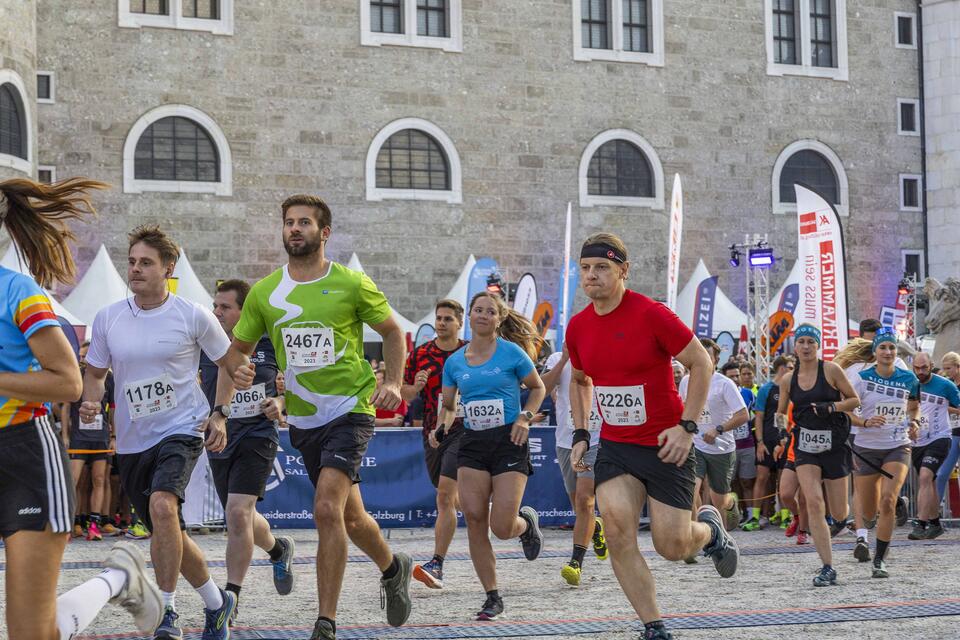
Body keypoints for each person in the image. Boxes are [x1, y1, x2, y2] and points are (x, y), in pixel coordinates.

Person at [219, 195, 412, 640]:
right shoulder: (266, 292)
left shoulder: (351, 283)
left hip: (351, 407)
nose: (295, 229)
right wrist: (238, 368)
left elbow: (392, 332)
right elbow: (236, 352)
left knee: (326, 507)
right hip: (304, 419)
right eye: (289, 222)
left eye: (304, 222)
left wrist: (395, 383)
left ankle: (326, 621)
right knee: (350, 518)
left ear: (324, 233)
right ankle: (393, 566)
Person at [0, 177, 162, 640]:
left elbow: (69, 382)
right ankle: (119, 577)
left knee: (30, 634)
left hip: (22, 458)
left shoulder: (17, 292)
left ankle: (116, 578)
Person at [566, 233, 738, 640]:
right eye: (586, 268)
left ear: (623, 271)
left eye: (602, 268)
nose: (592, 276)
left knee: (673, 546)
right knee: (620, 531)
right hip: (617, 449)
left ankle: (711, 532)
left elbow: (701, 363)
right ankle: (654, 625)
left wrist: (687, 426)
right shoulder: (578, 327)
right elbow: (579, 380)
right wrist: (581, 431)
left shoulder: (651, 314)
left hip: (666, 446)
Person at [81, 225, 240, 639]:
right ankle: (217, 604)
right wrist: (91, 398)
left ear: (168, 268)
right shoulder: (108, 317)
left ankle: (166, 613)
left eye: (145, 263)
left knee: (164, 507)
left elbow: (228, 363)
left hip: (183, 427)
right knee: (169, 532)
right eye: (132, 262)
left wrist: (219, 415)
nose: (135, 269)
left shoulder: (193, 314)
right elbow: (95, 374)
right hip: (134, 439)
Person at [438, 291, 546, 620]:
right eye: (478, 310)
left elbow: (537, 388)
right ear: (469, 317)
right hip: (472, 442)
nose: (483, 315)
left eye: (490, 311)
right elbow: (449, 404)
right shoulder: (454, 362)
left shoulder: (512, 353)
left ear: (498, 319)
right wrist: (441, 426)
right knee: (473, 519)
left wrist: (524, 418)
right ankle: (492, 596)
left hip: (509, 440)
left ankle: (525, 526)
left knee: (501, 526)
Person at [197, 279, 295, 616]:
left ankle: (231, 597)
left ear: (244, 311)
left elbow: (297, 382)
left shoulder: (271, 340)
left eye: (225, 307)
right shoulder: (206, 343)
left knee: (238, 512)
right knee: (240, 516)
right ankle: (278, 549)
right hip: (219, 437)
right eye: (215, 306)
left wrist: (280, 401)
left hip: (257, 435)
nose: (217, 312)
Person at [777, 324, 860, 587]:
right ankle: (827, 566)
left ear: (818, 345)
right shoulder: (788, 379)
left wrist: (831, 407)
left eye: (810, 342)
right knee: (813, 501)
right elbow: (780, 413)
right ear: (795, 346)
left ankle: (841, 521)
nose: (805, 346)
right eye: (801, 342)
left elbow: (854, 400)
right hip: (805, 445)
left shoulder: (832, 370)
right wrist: (782, 434)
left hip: (834, 444)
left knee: (838, 512)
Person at [401, 299, 467, 589]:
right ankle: (518, 522)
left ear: (459, 323)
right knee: (454, 500)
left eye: (448, 319)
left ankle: (437, 564)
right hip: (432, 434)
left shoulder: (470, 352)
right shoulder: (420, 354)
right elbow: (403, 394)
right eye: (439, 318)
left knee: (443, 497)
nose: (441, 323)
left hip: (465, 431)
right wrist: (415, 386)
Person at [847, 328, 920, 578]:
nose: (888, 352)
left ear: (896, 351)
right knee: (868, 513)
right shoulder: (861, 377)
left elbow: (913, 406)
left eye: (892, 347)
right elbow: (847, 411)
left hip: (897, 446)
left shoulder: (908, 378)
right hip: (866, 448)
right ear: (875, 352)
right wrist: (865, 422)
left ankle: (879, 559)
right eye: (883, 348)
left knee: (888, 501)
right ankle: (867, 525)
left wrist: (915, 422)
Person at [541, 345, 608, 587]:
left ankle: (575, 562)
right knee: (580, 507)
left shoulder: (603, 352)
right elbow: (543, 389)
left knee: (584, 500)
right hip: (566, 440)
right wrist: (565, 360)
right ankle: (595, 527)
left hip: (597, 438)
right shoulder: (558, 359)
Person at [681, 343, 749, 531]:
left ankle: (730, 504)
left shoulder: (724, 384)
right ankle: (695, 535)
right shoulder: (686, 382)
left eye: (707, 355)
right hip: (695, 445)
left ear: (716, 360)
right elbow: (683, 409)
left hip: (722, 448)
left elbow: (743, 415)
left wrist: (719, 429)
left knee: (719, 500)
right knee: (691, 492)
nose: (701, 358)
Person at [63, 340, 115, 541]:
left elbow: (113, 409)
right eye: (81, 356)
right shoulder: (75, 375)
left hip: (100, 436)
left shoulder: (108, 377)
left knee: (99, 479)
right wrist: (66, 435)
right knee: (73, 480)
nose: (83, 360)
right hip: (79, 437)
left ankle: (94, 525)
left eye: (87, 356)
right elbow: (67, 406)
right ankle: (71, 524)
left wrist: (114, 436)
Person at [909, 352, 960, 539]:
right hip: (918, 440)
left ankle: (920, 524)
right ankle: (935, 523)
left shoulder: (945, 385)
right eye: (917, 368)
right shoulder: (910, 384)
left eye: (924, 367)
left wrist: (949, 409)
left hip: (941, 437)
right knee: (928, 483)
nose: (921, 372)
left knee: (925, 476)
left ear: (931, 365)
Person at [743, 355, 794, 531]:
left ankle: (786, 517)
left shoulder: (792, 389)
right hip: (766, 442)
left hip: (785, 441)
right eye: (790, 366)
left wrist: (783, 437)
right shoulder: (767, 389)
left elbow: (783, 417)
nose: (793, 370)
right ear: (782, 368)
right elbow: (759, 417)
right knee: (762, 478)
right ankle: (755, 517)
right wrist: (760, 442)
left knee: (783, 480)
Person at [935, 352, 960, 503]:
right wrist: (956, 410)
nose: (946, 372)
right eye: (944, 368)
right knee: (942, 473)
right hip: (952, 432)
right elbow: (941, 405)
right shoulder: (948, 384)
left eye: (948, 368)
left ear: (958, 366)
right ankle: (933, 513)